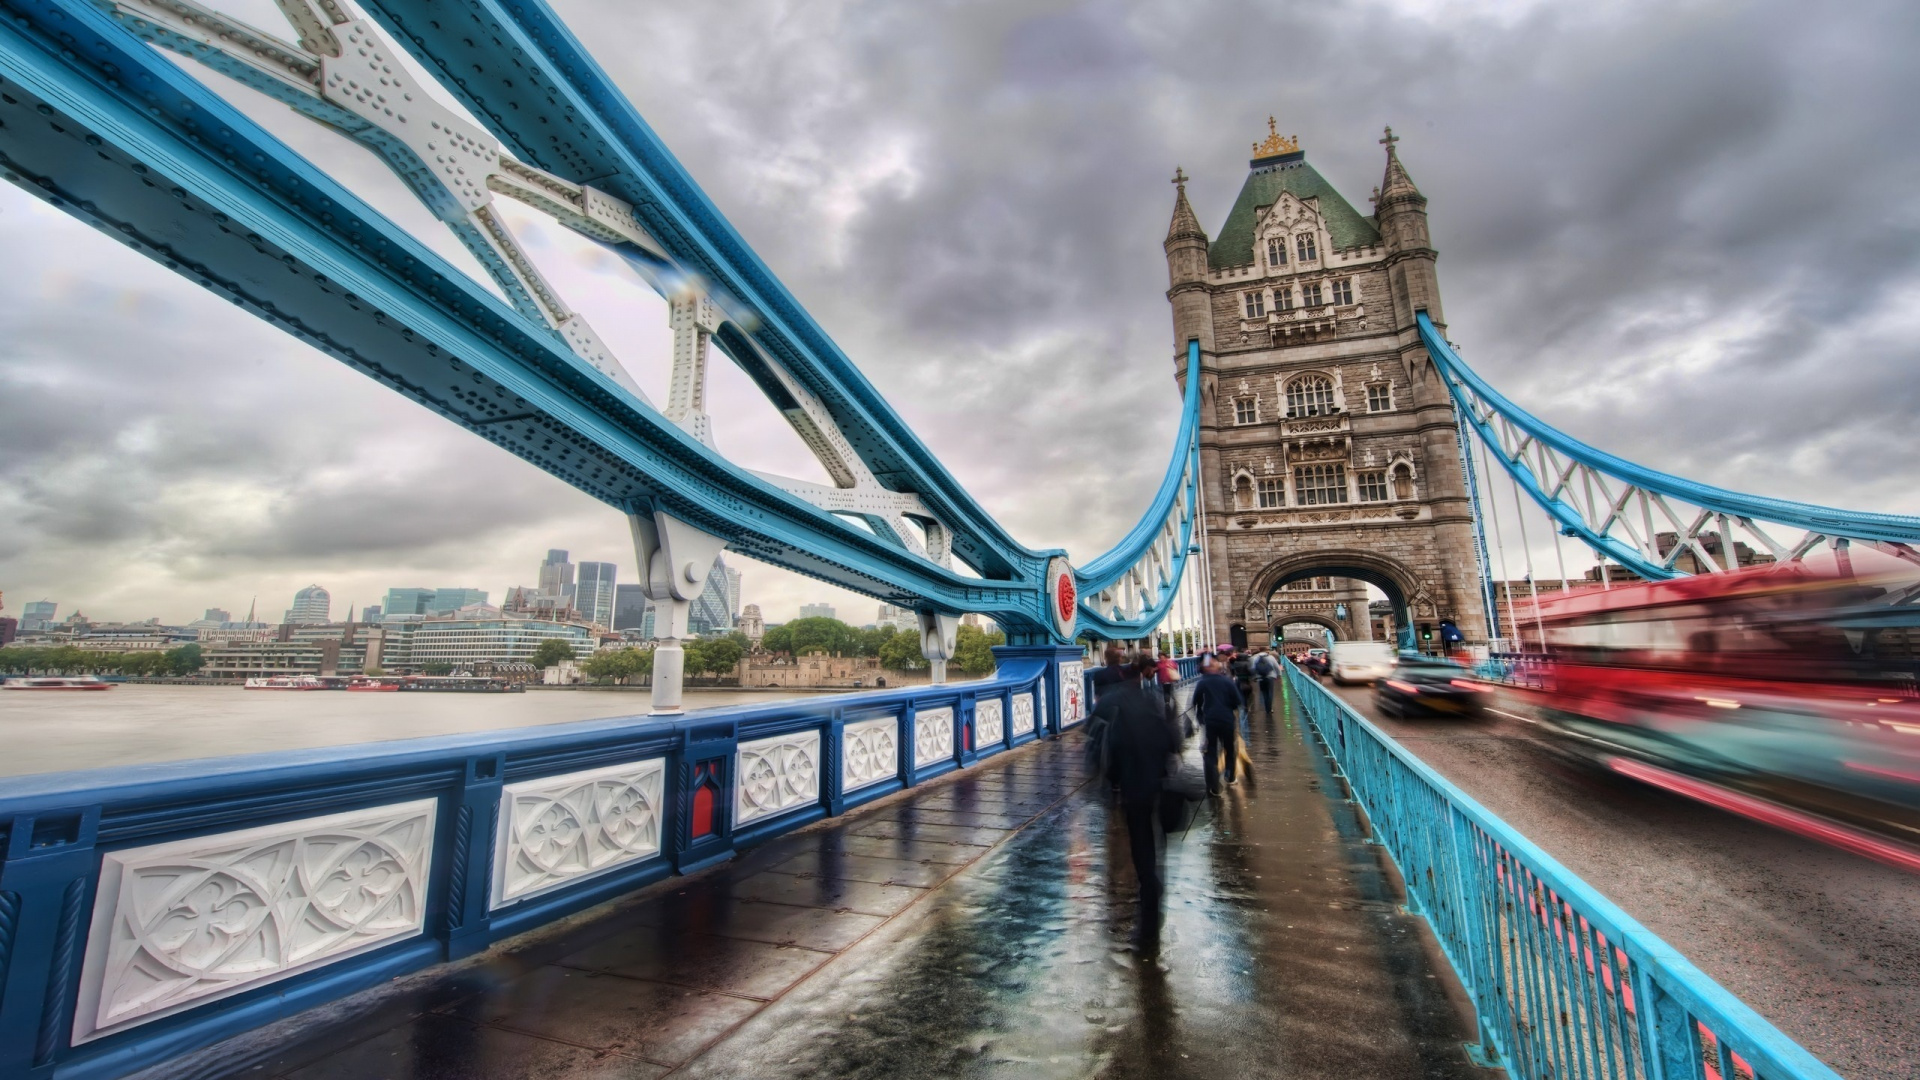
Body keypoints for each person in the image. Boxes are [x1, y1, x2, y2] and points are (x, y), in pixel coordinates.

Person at [1092, 656, 1177, 948]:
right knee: (1157, 845)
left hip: (1133, 789)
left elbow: (1109, 750)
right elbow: (1171, 739)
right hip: (1157, 784)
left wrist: (1111, 782)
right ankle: (1154, 897)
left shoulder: (1117, 708)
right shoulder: (1152, 701)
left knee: (1143, 851)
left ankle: (1147, 923)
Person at [1191, 653, 1244, 795]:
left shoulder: (1202, 682)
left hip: (1210, 722)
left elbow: (1195, 702)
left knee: (1210, 752)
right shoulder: (1227, 682)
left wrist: (1201, 716)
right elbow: (1237, 701)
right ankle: (1230, 776)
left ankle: (1213, 786)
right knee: (1229, 749)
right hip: (1227, 720)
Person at [1253, 647, 1281, 716]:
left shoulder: (1255, 657)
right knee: (1270, 693)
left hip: (1261, 678)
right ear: (1266, 651)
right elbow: (1276, 667)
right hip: (1270, 677)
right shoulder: (1271, 657)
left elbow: (1252, 668)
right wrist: (1279, 675)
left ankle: (1266, 708)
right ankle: (1269, 708)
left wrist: (1255, 676)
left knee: (1264, 693)